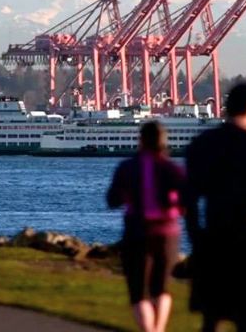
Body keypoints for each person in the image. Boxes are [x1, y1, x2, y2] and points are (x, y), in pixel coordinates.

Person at [185, 82, 246, 332]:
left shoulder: (204, 143)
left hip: (213, 242)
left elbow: (189, 198)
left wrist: (197, 237)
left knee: (211, 318)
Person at [107, 121, 185, 332]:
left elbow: (112, 200)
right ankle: (158, 329)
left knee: (138, 292)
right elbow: (188, 199)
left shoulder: (127, 167)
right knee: (162, 289)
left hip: (136, 230)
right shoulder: (172, 169)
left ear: (140, 140)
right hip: (167, 232)